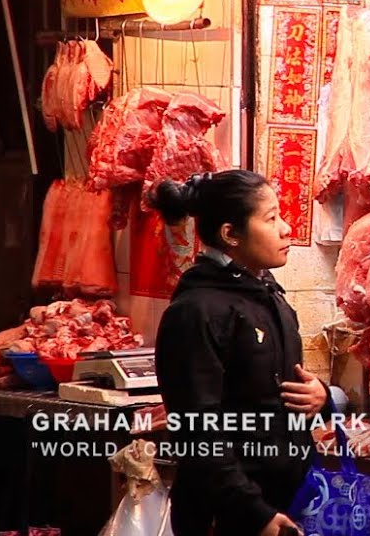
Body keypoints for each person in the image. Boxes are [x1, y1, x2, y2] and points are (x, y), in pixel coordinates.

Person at [149, 169, 328, 536]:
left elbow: (270, 391)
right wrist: (253, 512)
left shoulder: (267, 294)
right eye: (271, 219)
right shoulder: (196, 312)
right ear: (230, 234)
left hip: (284, 500)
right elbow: (197, 430)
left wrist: (320, 397)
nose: (286, 229)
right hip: (227, 515)